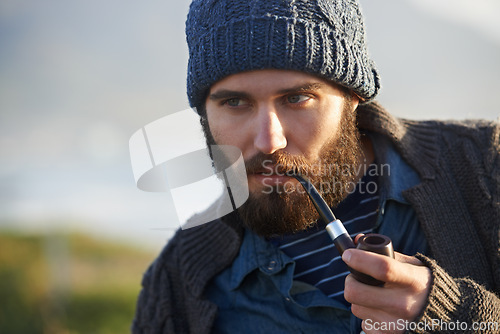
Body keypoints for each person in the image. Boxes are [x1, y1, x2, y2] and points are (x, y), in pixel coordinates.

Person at [132, 0, 500, 333]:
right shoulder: (179, 280)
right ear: (204, 115)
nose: (269, 140)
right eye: (234, 103)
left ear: (353, 97)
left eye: (296, 98)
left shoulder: (488, 169)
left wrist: (458, 317)